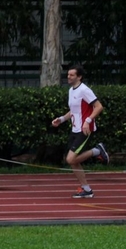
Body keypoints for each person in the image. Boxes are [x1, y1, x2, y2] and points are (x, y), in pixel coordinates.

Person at [51, 65, 110, 198]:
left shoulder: (85, 90)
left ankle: (97, 151)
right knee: (74, 161)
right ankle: (87, 189)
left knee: (70, 159)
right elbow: (74, 110)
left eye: (71, 75)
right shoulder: (71, 91)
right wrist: (61, 119)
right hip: (74, 129)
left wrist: (88, 121)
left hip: (85, 129)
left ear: (79, 77)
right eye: (68, 74)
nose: (68, 77)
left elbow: (99, 107)